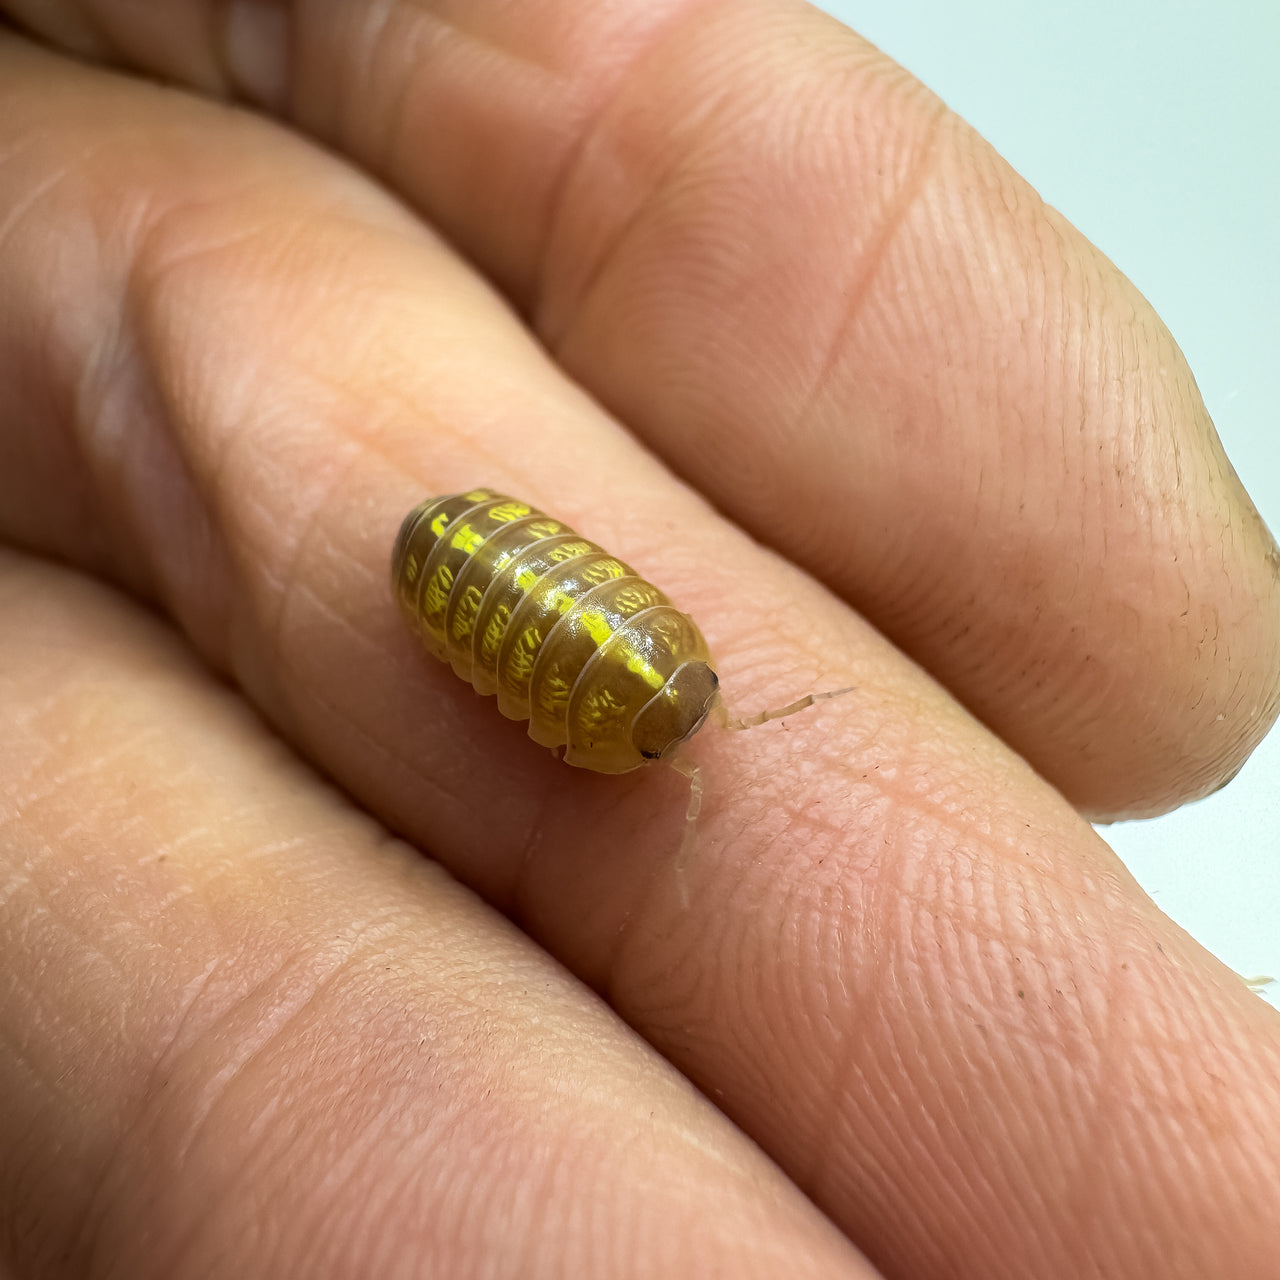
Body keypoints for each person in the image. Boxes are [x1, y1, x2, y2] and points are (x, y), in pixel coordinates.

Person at [1, 3, 1277, 1277]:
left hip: (497, 577)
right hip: (469, 559)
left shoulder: (644, 683)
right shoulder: (620, 703)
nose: (686, 727)